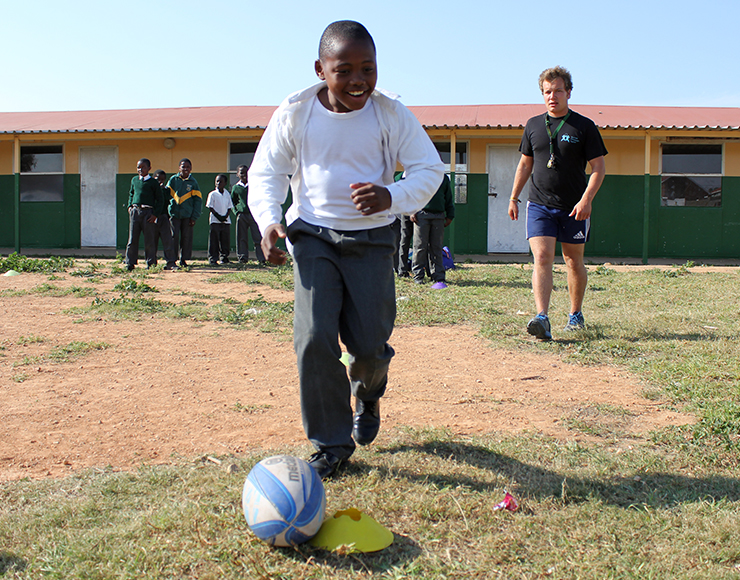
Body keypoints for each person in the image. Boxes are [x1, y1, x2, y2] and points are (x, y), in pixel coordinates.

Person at [248, 20, 444, 479]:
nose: (358, 80)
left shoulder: (389, 113)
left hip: (372, 238)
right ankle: (330, 445)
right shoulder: (296, 112)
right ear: (321, 69)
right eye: (345, 70)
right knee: (314, 339)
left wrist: (390, 196)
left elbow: (428, 168)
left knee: (370, 348)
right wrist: (270, 221)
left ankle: (368, 394)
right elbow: (267, 172)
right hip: (313, 235)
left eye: (368, 69)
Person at [508, 66, 607, 340]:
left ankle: (575, 314)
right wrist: (514, 197)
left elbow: (598, 167)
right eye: (547, 92)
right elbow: (525, 164)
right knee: (542, 258)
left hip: (574, 207)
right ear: (543, 94)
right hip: (539, 204)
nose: (553, 96)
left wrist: (587, 200)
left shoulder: (584, 126)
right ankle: (542, 317)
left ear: (569, 92)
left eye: (558, 91)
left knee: (573, 261)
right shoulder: (532, 125)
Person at [410, 173, 454, 288]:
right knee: (420, 246)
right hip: (421, 214)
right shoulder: (419, 175)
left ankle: (438, 276)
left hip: (438, 216)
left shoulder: (443, 178)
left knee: (436, 247)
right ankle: (418, 276)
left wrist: (450, 214)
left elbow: (448, 196)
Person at [124, 158, 161, 271]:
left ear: (149, 168)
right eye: (138, 167)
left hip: (148, 212)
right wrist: (130, 206)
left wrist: (155, 214)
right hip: (135, 211)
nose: (140, 170)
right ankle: (130, 262)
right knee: (132, 239)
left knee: (149, 239)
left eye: (143, 167)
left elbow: (160, 199)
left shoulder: (153, 182)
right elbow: (131, 193)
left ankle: (151, 263)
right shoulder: (135, 180)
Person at [167, 158, 202, 268]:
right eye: (183, 166)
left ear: (191, 169)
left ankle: (184, 259)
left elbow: (198, 200)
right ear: (179, 168)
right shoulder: (173, 180)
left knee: (186, 238)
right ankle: (172, 260)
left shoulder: (193, 182)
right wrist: (168, 210)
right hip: (174, 214)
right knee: (173, 237)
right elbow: (167, 195)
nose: (185, 169)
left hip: (187, 215)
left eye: (187, 167)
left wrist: (194, 216)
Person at [231, 164, 265, 264]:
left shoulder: (254, 186)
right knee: (241, 237)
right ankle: (242, 258)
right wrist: (237, 212)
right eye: (241, 173)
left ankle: (261, 258)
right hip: (241, 215)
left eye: (246, 172)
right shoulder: (236, 188)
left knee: (258, 237)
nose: (244, 175)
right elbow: (233, 201)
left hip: (253, 215)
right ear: (237, 174)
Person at [152, 170, 178, 270]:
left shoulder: (166, 190)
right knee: (152, 242)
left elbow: (167, 199)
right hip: (153, 217)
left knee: (168, 241)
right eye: (158, 179)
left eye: (162, 180)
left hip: (164, 217)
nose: (160, 182)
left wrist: (162, 189)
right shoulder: (151, 189)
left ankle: (170, 262)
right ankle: (151, 262)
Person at [206, 174, 233, 265]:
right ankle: (213, 258)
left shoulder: (227, 194)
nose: (218, 183)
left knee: (225, 241)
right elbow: (210, 207)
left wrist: (225, 217)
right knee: (214, 241)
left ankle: (224, 258)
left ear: (225, 183)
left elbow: (229, 207)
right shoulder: (212, 194)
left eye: (221, 181)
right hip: (215, 221)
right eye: (217, 181)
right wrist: (218, 216)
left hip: (226, 221)